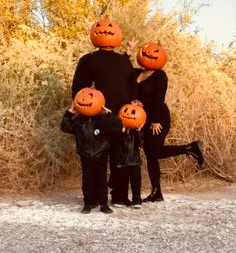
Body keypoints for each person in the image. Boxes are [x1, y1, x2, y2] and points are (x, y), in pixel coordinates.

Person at [71, 17, 138, 205]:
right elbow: (79, 88)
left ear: (117, 34)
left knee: (120, 159)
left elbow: (132, 85)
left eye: (110, 28)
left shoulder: (123, 62)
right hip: (98, 117)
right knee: (96, 161)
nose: (105, 30)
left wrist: (135, 101)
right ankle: (92, 199)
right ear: (94, 33)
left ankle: (119, 196)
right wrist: (87, 108)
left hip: (121, 117)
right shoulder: (88, 60)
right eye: (99, 27)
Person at [126, 40, 204, 202]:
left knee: (154, 152)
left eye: (154, 53)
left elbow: (158, 100)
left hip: (158, 117)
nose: (148, 55)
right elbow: (123, 70)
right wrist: (127, 52)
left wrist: (154, 120)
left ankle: (189, 148)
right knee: (150, 155)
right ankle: (157, 193)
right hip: (141, 119)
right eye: (145, 52)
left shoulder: (160, 76)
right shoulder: (136, 72)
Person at [60, 88, 123, 214]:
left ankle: (103, 204)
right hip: (85, 154)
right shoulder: (78, 121)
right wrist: (69, 113)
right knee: (87, 180)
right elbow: (65, 127)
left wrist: (108, 114)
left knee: (101, 179)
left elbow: (117, 127)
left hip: (101, 153)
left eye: (90, 97)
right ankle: (88, 203)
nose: (85, 100)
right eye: (82, 98)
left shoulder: (102, 120)